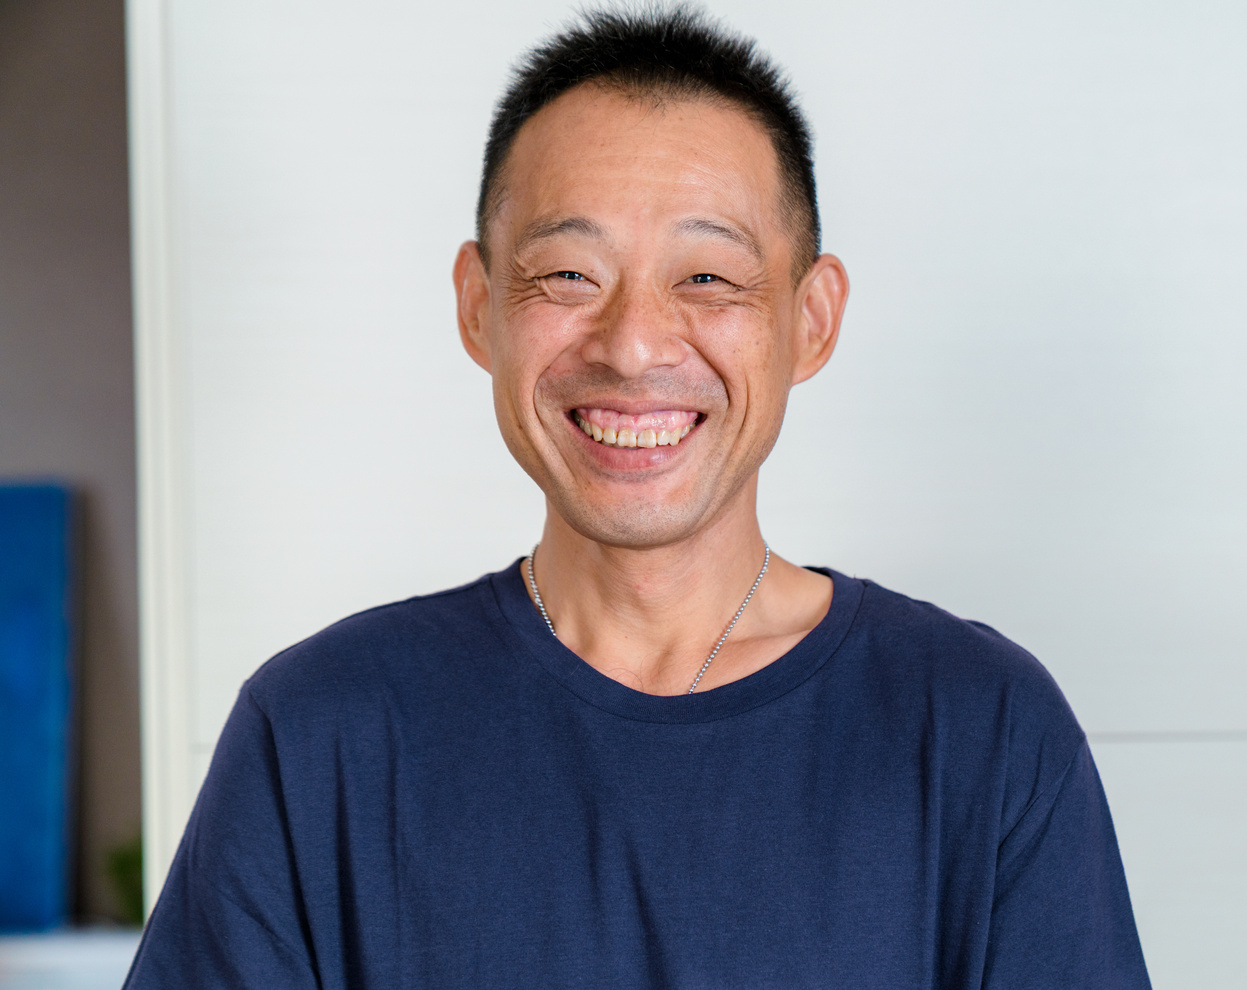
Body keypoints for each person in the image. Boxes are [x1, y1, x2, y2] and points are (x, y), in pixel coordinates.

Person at [124, 8, 1151, 988]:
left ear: (813, 319)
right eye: (569, 274)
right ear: (480, 307)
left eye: (708, 278)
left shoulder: (980, 727)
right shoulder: (320, 734)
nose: (633, 343)